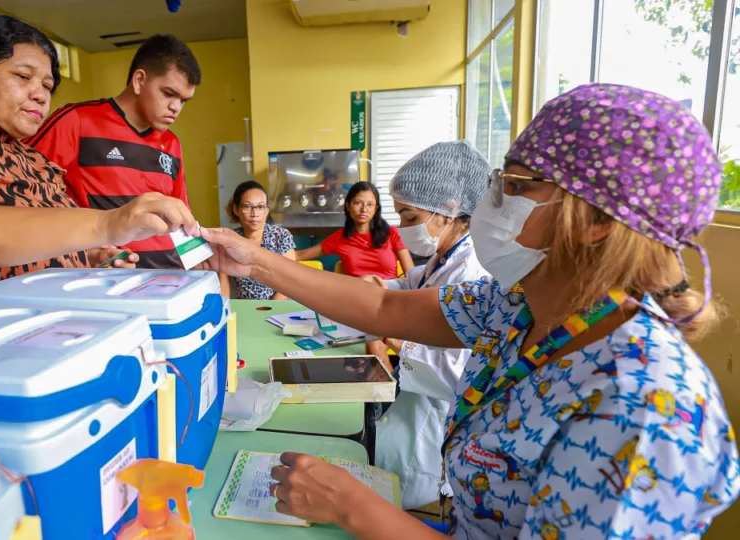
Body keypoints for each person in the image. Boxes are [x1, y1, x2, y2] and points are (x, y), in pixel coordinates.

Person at [195, 84, 740, 538]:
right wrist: (257, 263)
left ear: (595, 220)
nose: (492, 202)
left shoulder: (644, 410)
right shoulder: (523, 305)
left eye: (517, 186)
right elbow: (385, 306)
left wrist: (353, 507)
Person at [0, 15, 194, 303]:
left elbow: (34, 240)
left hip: (48, 328)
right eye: (23, 77)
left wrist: (88, 256)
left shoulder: (29, 157)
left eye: (47, 85)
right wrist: (105, 224)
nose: (40, 94)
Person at [359, 140, 491, 510]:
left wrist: (400, 344)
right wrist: (381, 287)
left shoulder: (471, 271)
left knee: (406, 498)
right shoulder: (443, 258)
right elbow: (413, 285)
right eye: (399, 216)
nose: (402, 228)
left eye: (411, 217)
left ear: (448, 211)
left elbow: (460, 377)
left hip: (434, 422)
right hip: (411, 406)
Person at [26, 34, 200, 269]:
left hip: (171, 280)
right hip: (109, 281)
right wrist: (84, 251)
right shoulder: (77, 122)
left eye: (184, 101)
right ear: (139, 81)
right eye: (169, 94)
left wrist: (200, 263)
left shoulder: (172, 143)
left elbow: (182, 215)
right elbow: (23, 194)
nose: (175, 107)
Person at [297, 181, 413, 278]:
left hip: (389, 296)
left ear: (376, 208)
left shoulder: (392, 233)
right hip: (356, 299)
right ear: (348, 206)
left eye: (369, 204)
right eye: (358, 203)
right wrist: (279, 256)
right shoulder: (340, 237)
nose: (364, 209)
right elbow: (301, 255)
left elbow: (412, 276)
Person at [223, 180, 296, 299]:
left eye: (260, 207)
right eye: (247, 206)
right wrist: (224, 311)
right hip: (245, 308)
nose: (255, 213)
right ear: (236, 209)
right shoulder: (230, 240)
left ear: (266, 210)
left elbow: (289, 281)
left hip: (278, 309)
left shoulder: (281, 236)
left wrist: (268, 311)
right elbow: (223, 284)